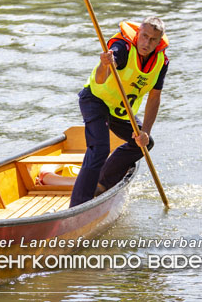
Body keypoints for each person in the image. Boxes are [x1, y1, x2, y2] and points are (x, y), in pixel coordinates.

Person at [70, 17, 169, 207]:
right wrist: (106, 64)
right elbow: (101, 78)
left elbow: (154, 98)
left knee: (144, 144)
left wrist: (145, 132)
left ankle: (102, 183)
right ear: (138, 33)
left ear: (159, 42)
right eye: (144, 36)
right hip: (95, 100)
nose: (146, 43)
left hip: (120, 111)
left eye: (153, 40)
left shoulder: (161, 62)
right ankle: (78, 206)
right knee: (99, 149)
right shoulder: (121, 48)